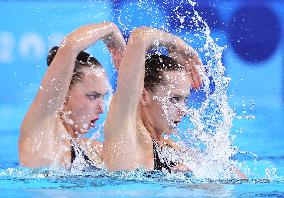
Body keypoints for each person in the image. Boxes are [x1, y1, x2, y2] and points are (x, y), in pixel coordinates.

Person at [103, 27, 247, 179]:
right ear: (143, 96)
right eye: (175, 99)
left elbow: (238, 178)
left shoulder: (170, 148)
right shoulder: (126, 133)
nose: (183, 110)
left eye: (185, 100)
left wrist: (192, 174)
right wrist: (176, 44)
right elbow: (140, 37)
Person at [18, 22, 126, 169]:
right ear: (63, 94)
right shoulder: (43, 132)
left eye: (103, 97)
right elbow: (71, 44)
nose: (101, 109)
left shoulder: (92, 150)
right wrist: (111, 30)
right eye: (92, 96)